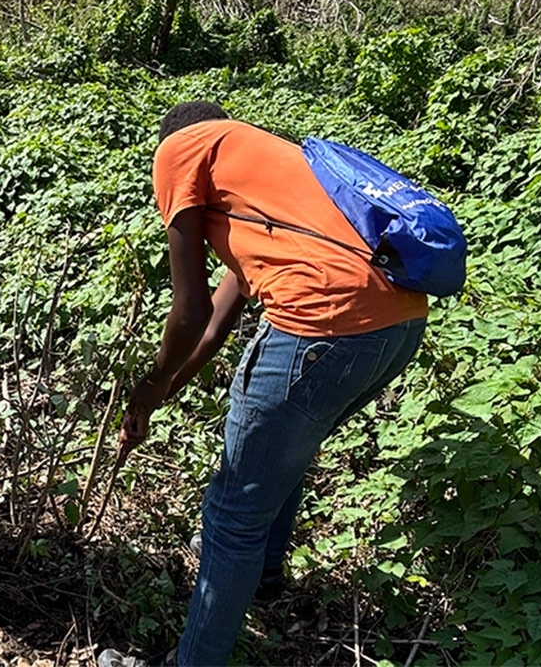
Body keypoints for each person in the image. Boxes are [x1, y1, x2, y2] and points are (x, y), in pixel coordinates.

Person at [98, 102, 428, 666]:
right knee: (289, 443)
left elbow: (190, 310)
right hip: (400, 325)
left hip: (324, 323)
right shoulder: (268, 178)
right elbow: (217, 326)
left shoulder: (179, 150)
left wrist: (145, 387)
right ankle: (266, 575)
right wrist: (159, 399)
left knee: (231, 516)